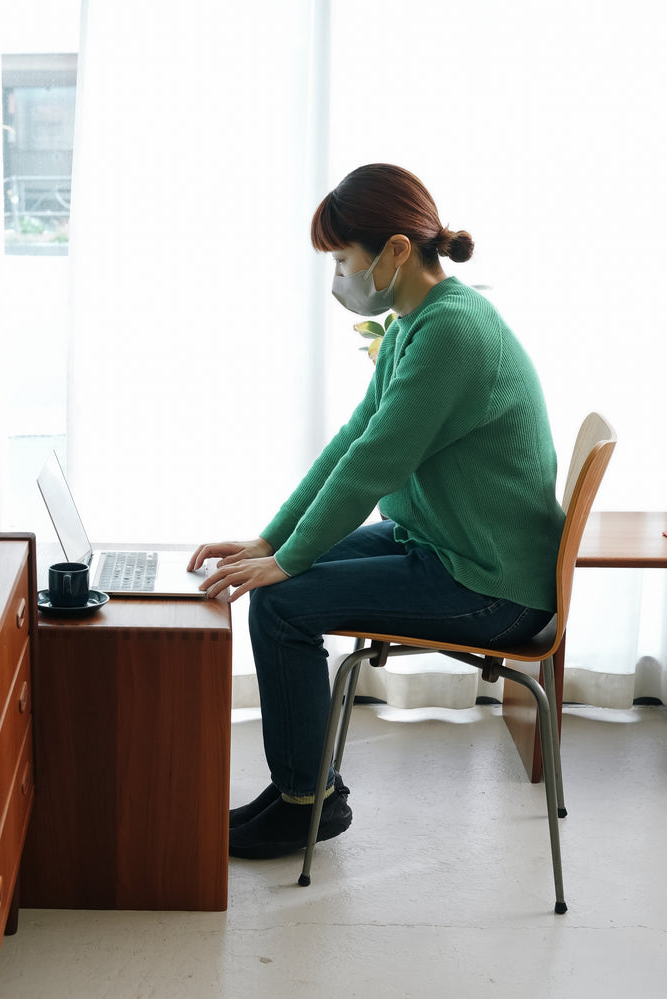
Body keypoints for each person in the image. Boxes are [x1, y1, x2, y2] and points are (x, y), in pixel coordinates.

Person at [188, 163, 565, 861]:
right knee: (278, 583)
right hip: (441, 544)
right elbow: (352, 442)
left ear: (394, 249)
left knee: (280, 606)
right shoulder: (413, 323)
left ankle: (307, 804)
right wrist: (271, 540)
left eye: (341, 258)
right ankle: (302, 788)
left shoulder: (451, 335)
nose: (337, 275)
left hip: (489, 586)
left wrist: (288, 561)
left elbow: (374, 467)